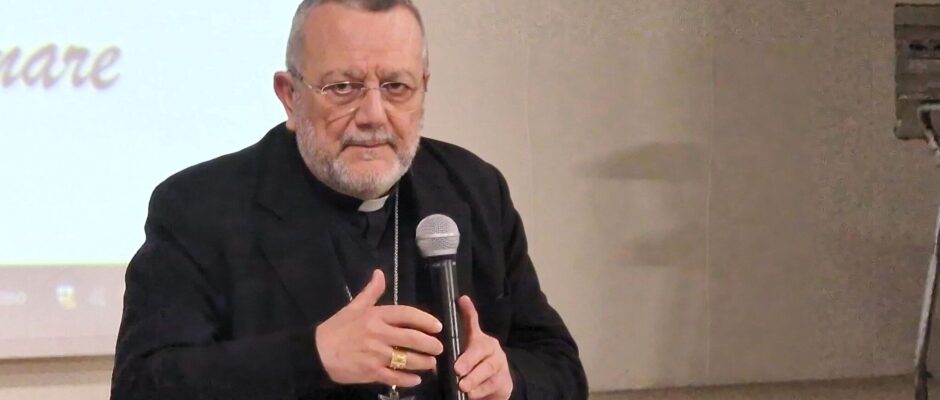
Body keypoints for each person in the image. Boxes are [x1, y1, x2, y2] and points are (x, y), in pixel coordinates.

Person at [110, 1, 587, 399]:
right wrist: (313, 356)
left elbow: (560, 366)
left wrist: (509, 378)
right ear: (290, 96)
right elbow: (141, 385)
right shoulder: (198, 207)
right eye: (343, 87)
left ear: (423, 88)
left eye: (396, 87)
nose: (373, 115)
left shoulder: (474, 190)